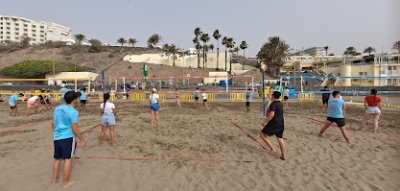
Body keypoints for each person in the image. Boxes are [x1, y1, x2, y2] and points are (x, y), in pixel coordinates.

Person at [51, 91, 86, 188]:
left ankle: (54, 180)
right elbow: (75, 128)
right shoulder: (73, 111)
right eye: (77, 98)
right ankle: (65, 183)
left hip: (57, 137)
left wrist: (58, 131)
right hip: (68, 138)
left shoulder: (57, 108)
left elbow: (53, 123)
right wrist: (82, 139)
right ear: (74, 100)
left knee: (57, 159)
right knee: (67, 160)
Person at [260, 91, 286, 160]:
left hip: (274, 123)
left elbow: (272, 114)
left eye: (272, 95)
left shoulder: (273, 104)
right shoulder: (280, 103)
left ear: (274, 96)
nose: (271, 96)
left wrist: (265, 122)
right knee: (280, 139)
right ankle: (283, 155)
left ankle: (272, 149)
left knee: (262, 134)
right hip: (281, 123)